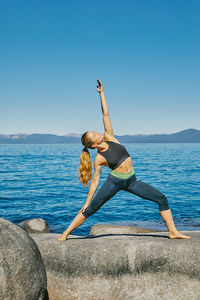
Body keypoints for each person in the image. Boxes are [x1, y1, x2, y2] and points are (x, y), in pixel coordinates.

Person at [58, 79, 191, 242]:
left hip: (132, 181)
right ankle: (65, 233)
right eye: (94, 135)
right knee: (91, 209)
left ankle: (173, 232)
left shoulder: (110, 137)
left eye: (94, 131)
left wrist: (101, 94)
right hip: (114, 182)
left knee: (161, 198)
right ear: (93, 145)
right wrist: (87, 201)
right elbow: (95, 181)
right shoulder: (99, 159)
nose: (97, 133)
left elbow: (105, 114)